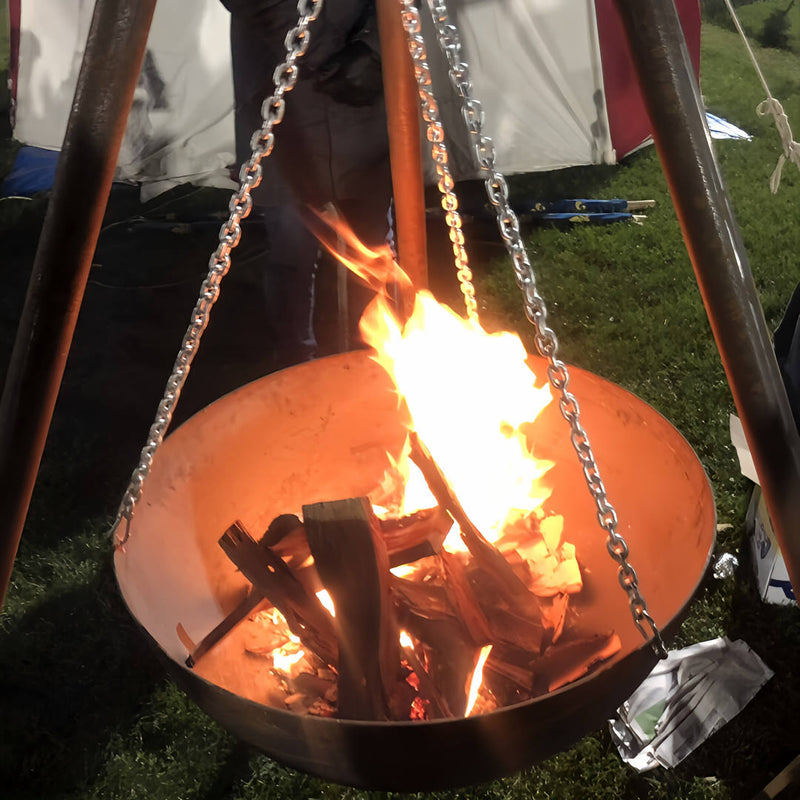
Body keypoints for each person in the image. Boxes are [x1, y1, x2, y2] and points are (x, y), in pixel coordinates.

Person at [221, 0, 393, 369]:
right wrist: (323, 48)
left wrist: (377, 49)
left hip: (364, 93)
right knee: (291, 249)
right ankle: (296, 363)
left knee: (374, 245)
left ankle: (379, 363)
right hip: (286, 94)